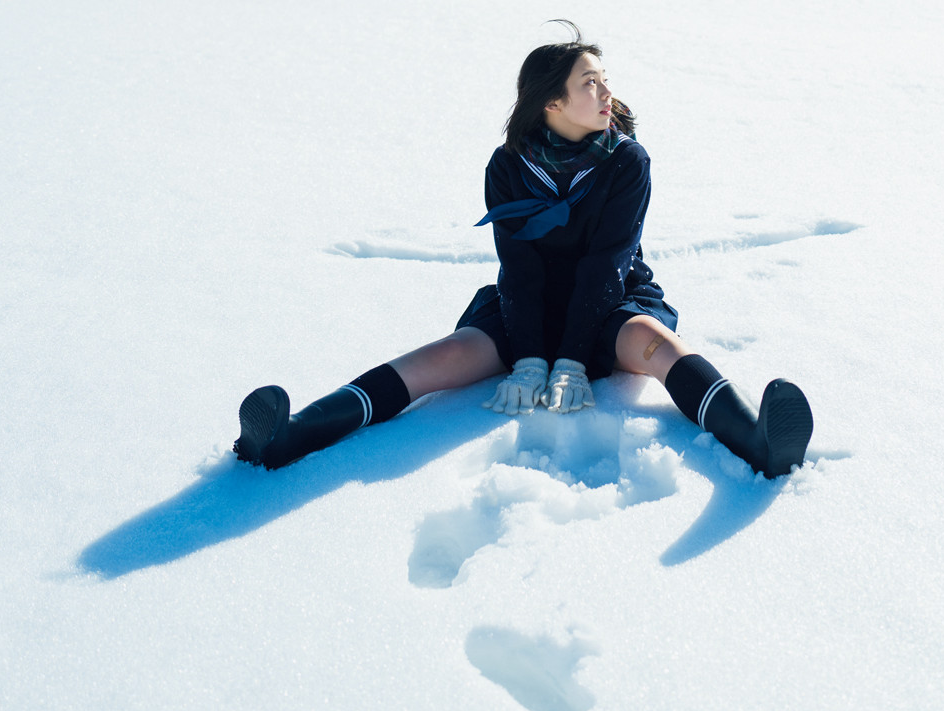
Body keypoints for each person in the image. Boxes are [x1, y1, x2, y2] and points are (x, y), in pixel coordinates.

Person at [233, 28, 813, 478]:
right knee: (442, 358)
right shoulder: (507, 166)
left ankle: (758, 441)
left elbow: (607, 260)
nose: (607, 93)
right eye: (590, 83)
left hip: (611, 298)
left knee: (655, 346)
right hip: (525, 302)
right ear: (550, 104)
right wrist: (532, 355)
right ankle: (288, 438)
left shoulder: (627, 161)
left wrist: (572, 358)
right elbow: (520, 264)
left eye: (604, 79)